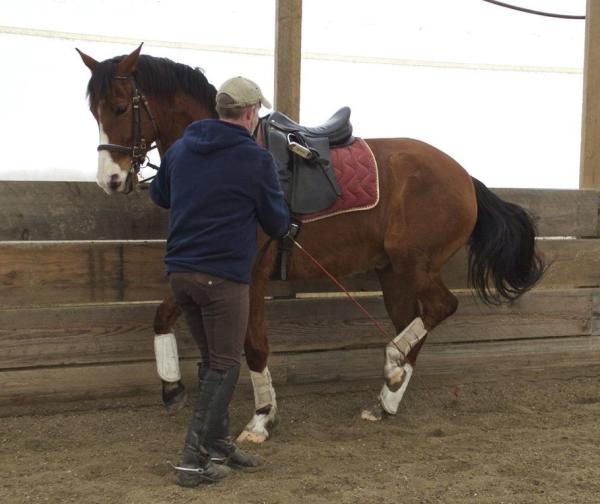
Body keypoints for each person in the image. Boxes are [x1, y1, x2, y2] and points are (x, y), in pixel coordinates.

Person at [149, 76, 290, 487]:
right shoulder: (256, 159)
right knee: (225, 367)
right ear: (249, 114)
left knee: (213, 361)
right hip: (223, 280)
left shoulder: (180, 149)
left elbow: (160, 195)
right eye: (257, 112)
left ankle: (220, 443)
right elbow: (277, 223)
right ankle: (191, 459)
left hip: (181, 277)